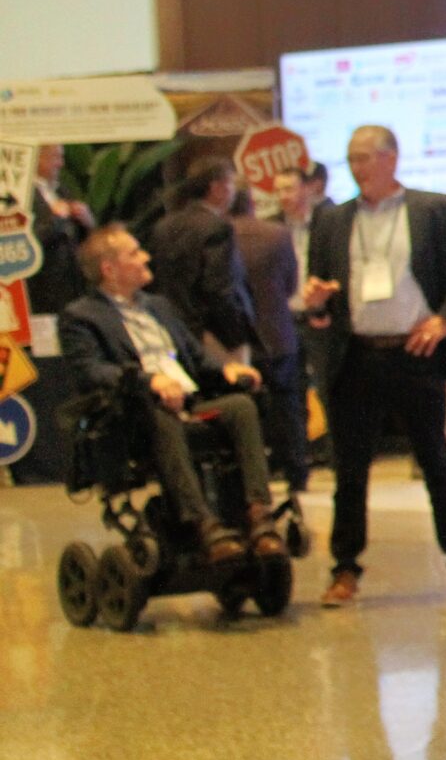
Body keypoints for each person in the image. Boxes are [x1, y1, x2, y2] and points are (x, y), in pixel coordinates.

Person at [302, 125, 446, 606]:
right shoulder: (332, 221)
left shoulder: (435, 210)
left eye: (365, 157)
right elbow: (319, 297)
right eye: (351, 159)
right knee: (350, 472)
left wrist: (445, 319)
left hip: (414, 354)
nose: (358, 168)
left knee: (436, 463)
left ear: (391, 158)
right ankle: (344, 568)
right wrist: (316, 304)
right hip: (355, 356)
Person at [59, 224, 281, 564]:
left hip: (188, 400)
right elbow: (91, 370)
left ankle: (258, 514)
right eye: (135, 253)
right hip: (137, 413)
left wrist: (226, 369)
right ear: (109, 269)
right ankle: (203, 524)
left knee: (240, 406)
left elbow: (195, 355)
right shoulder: (81, 317)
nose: (146, 257)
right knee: (160, 415)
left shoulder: (159, 306)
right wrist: (149, 382)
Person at [231, 174, 311, 498]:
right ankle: (297, 472)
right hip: (277, 329)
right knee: (288, 404)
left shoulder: (220, 236)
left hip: (236, 335)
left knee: (246, 407)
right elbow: (291, 284)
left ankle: (253, 474)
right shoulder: (277, 234)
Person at [147, 161, 257, 359]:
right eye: (231, 183)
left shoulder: (164, 226)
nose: (234, 192)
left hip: (174, 330)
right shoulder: (216, 228)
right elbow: (220, 288)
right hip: (215, 337)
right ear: (217, 188)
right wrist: (237, 336)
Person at [27, 143, 93, 315]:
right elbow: (27, 242)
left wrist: (86, 221)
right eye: (55, 157)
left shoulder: (62, 190)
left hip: (72, 285)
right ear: (37, 158)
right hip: (42, 289)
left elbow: (80, 238)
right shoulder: (24, 195)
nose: (60, 164)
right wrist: (54, 219)